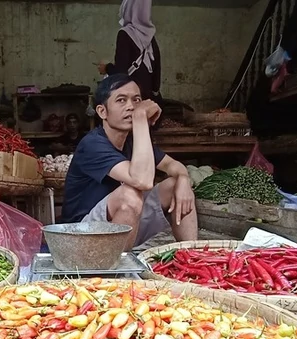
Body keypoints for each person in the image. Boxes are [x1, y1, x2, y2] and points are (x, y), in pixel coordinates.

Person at [61, 74, 196, 250]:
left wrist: (184, 180)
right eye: (121, 100)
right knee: (129, 194)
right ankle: (118, 271)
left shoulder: (132, 142)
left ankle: (193, 255)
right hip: (80, 237)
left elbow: (173, 166)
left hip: (118, 229)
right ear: (102, 112)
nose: (131, 107)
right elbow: (142, 181)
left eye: (137, 100)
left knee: (176, 185)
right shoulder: (92, 144)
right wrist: (141, 119)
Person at [98, 0, 161, 103]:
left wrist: (107, 68)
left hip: (131, 99)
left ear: (129, 8)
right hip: (148, 99)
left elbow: (121, 73)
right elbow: (156, 77)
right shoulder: (150, 36)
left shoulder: (125, 34)